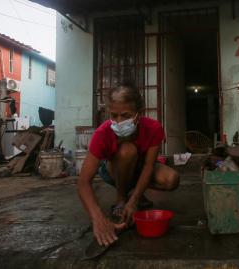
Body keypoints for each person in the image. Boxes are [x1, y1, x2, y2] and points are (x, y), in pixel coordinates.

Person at [77, 84, 179, 246]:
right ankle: (121, 198)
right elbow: (83, 182)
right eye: (114, 115)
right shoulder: (102, 133)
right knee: (127, 150)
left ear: (139, 114)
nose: (119, 122)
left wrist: (134, 200)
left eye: (125, 115)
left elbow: (148, 166)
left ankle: (133, 196)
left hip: (140, 168)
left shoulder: (153, 128)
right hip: (112, 171)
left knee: (171, 179)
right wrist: (98, 218)